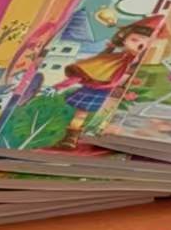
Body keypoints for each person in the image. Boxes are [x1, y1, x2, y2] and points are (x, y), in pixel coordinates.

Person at [52, 15, 164, 143]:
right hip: (98, 89)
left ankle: (94, 136)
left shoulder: (136, 61)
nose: (140, 45)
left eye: (146, 43)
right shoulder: (113, 58)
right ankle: (71, 136)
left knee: (105, 115)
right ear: (123, 39)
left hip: (115, 91)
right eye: (134, 40)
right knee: (81, 114)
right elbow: (87, 70)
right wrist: (58, 86)